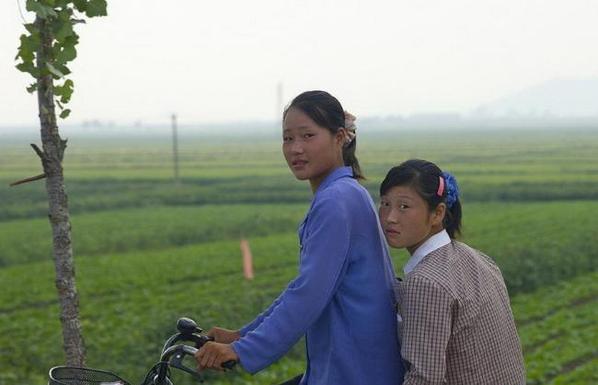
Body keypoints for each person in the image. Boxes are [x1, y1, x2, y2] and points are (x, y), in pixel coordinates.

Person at [195, 90, 405, 385]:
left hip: (352, 371)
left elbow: (307, 296)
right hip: (355, 364)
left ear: (339, 137)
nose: (295, 148)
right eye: (288, 138)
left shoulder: (336, 201)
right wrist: (243, 334)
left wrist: (241, 349)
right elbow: (305, 287)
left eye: (308, 136)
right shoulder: (348, 192)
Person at [378, 159, 526, 385]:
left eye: (404, 206)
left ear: (437, 214)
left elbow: (425, 379)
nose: (390, 217)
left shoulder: (425, 282)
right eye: (385, 203)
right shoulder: (478, 259)